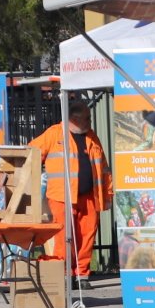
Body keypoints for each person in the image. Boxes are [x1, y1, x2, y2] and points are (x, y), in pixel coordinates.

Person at [28, 98, 112, 288]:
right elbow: (30, 154)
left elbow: (104, 167)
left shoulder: (92, 136)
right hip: (62, 196)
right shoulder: (54, 134)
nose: (91, 121)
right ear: (74, 118)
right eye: (87, 118)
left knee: (87, 235)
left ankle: (81, 276)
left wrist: (107, 193)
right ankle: (65, 274)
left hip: (89, 196)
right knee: (65, 237)